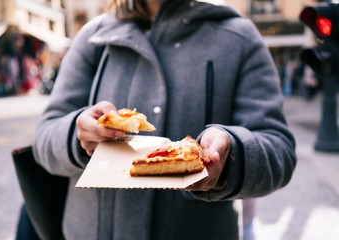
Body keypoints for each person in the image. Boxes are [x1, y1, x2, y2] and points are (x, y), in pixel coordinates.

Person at [32, 0, 296, 239]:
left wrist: (231, 154)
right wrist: (76, 134)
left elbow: (279, 150)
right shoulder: (93, 36)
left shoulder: (240, 38)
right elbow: (44, 137)